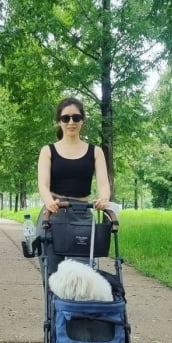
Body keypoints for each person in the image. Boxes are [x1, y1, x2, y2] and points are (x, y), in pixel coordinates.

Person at [35, 97, 111, 274]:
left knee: (83, 275)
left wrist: (103, 198)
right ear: (59, 121)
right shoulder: (48, 151)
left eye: (76, 118)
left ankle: (79, 303)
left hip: (82, 214)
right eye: (66, 118)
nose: (71, 122)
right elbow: (43, 184)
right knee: (52, 274)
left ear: (82, 121)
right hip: (53, 215)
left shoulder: (95, 151)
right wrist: (48, 202)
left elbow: (103, 183)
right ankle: (53, 303)